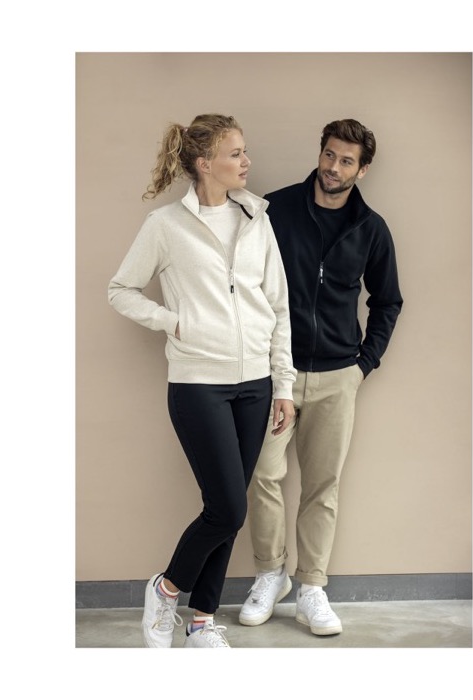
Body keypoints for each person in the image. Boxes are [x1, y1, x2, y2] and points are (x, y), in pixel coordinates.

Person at [108, 114, 296, 648]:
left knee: (228, 513)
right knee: (228, 507)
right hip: (198, 384)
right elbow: (120, 290)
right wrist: (174, 322)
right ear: (203, 162)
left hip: (256, 383)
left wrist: (283, 384)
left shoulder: (257, 219)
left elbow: (278, 306)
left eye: (244, 151)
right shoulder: (166, 225)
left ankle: (201, 623)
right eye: (236, 153)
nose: (247, 161)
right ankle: (167, 588)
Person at [239, 118, 403, 636]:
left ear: (362, 169)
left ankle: (311, 586)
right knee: (262, 475)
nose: (334, 167)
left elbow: (388, 301)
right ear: (321, 153)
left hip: (337, 375)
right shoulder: (276, 209)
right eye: (329, 155)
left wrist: (362, 365)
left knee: (322, 485)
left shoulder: (371, 228)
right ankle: (270, 574)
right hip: (275, 374)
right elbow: (245, 281)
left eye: (346, 161)